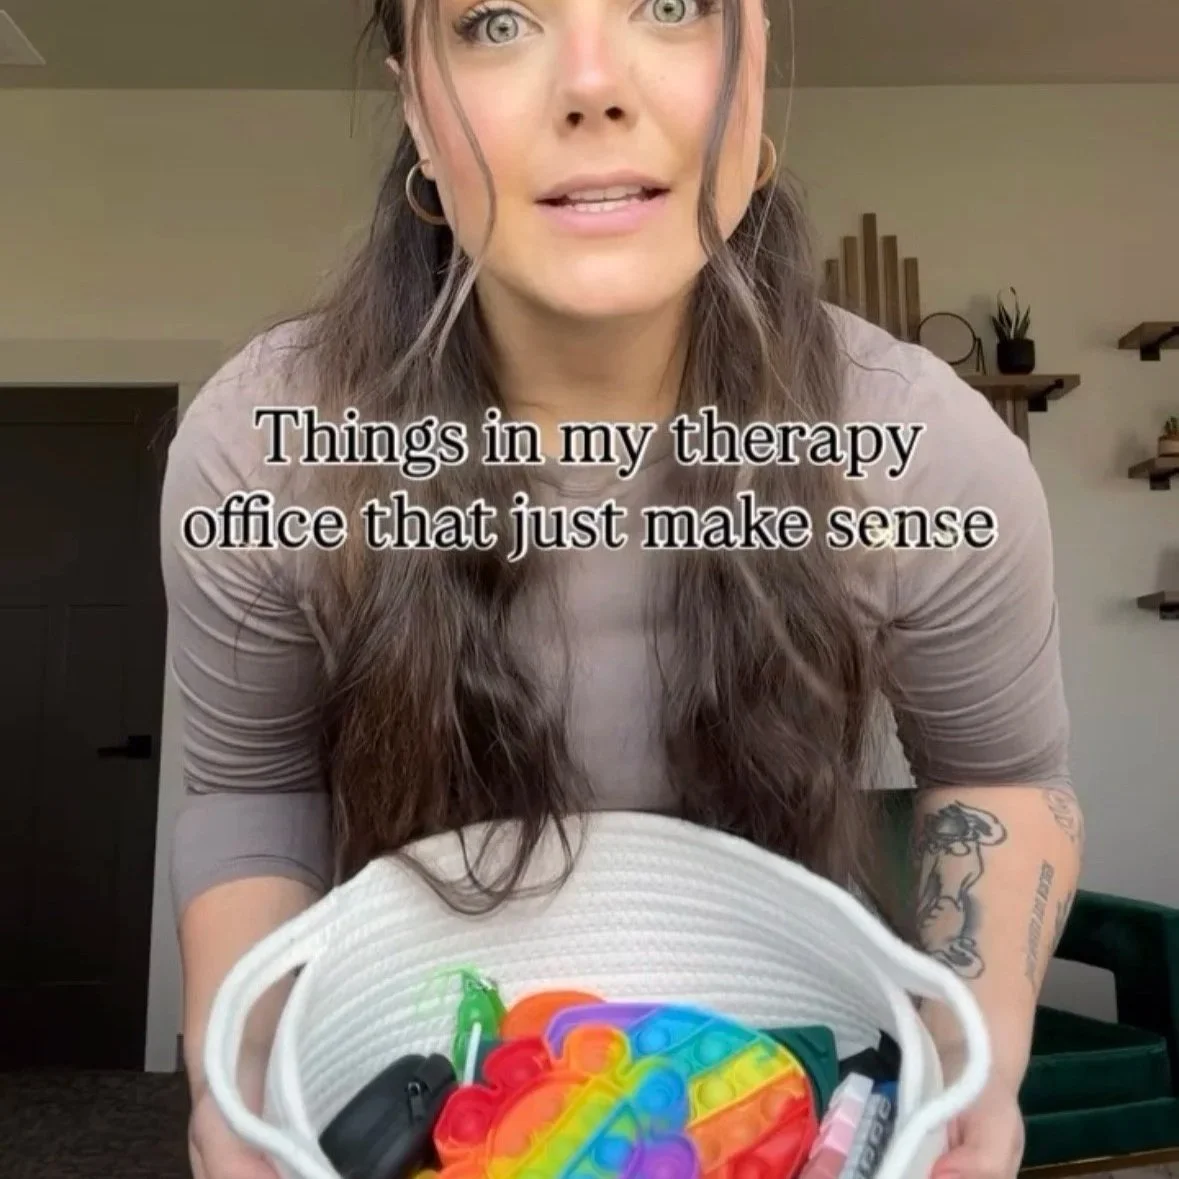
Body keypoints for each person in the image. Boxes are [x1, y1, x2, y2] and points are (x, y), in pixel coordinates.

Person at [160, 0, 1084, 1176]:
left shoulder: (930, 451)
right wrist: (236, 1081)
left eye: (671, 4)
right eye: (499, 19)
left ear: (754, 58)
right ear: (416, 109)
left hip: (776, 1110)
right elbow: (251, 788)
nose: (592, 86)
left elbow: (1004, 779)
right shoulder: (260, 448)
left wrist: (973, 1064)